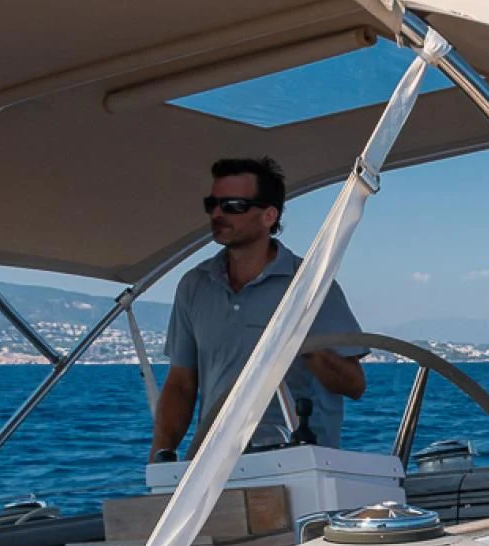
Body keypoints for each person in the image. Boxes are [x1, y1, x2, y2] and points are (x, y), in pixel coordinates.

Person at [150, 157, 366, 461]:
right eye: (212, 203)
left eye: (232, 205)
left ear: (268, 216)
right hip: (214, 465)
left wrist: (303, 345)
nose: (217, 213)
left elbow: (354, 385)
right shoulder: (194, 286)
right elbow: (181, 384)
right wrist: (160, 455)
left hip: (298, 464)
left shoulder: (310, 285)